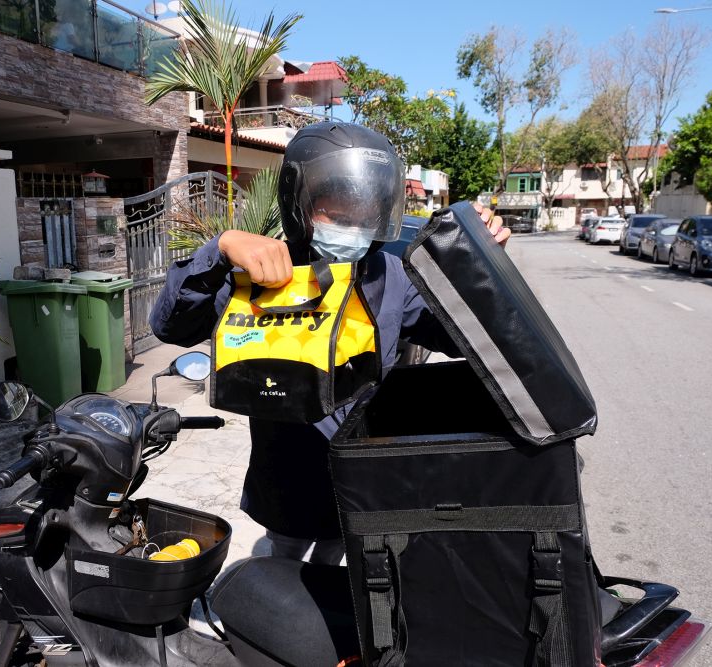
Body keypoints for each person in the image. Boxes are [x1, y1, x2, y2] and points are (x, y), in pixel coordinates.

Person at [149, 122, 508, 564]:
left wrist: (479, 264)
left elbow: (464, 337)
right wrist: (220, 249)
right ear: (298, 204)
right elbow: (171, 326)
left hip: (361, 473)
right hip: (286, 477)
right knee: (280, 572)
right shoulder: (259, 272)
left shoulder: (389, 275)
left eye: (363, 216)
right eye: (335, 216)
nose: (352, 227)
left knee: (337, 569)